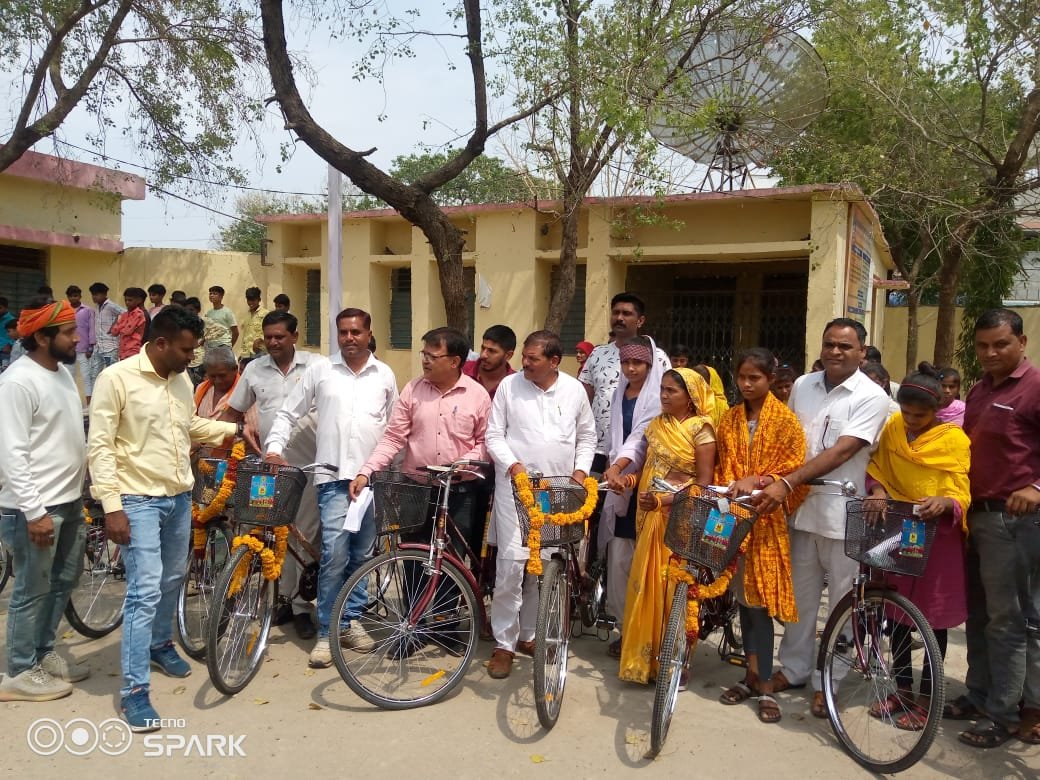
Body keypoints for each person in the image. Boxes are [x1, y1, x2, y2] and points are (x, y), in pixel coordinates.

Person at [87, 306, 240, 732]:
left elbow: (188, 426)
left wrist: (233, 432)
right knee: (144, 590)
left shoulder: (179, 380)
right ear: (160, 343)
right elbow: (100, 446)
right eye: (186, 350)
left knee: (172, 578)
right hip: (135, 500)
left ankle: (159, 644)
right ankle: (134, 691)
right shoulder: (115, 379)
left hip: (177, 497)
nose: (192, 358)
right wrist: (112, 506)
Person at [751, 318, 890, 718]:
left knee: (843, 604)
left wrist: (787, 482)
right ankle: (794, 669)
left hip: (845, 512)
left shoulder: (871, 395)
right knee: (800, 599)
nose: (835, 351)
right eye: (829, 344)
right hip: (799, 510)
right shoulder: (803, 385)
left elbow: (843, 450)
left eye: (845, 346)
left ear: (861, 352)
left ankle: (828, 679)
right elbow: (789, 440)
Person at [265, 308, 398, 668]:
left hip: (372, 481)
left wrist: (392, 474)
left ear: (369, 334)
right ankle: (326, 632)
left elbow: (393, 428)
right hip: (333, 478)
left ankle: (350, 622)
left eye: (356, 332)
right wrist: (274, 448)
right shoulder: (322, 371)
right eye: (343, 332)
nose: (349, 338)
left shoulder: (384, 375)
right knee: (335, 554)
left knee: (361, 556)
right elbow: (288, 412)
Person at [485, 330, 596, 678]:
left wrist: (580, 472)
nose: (525, 363)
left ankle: (530, 635)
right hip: (516, 490)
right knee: (511, 567)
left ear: (554, 361)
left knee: (544, 566)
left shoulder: (574, 390)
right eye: (525, 357)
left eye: (533, 358)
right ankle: (504, 643)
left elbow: (587, 436)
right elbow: (493, 435)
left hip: (556, 492)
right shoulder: (509, 386)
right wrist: (513, 466)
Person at [865, 366, 970, 730]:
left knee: (932, 620)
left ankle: (927, 699)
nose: (910, 421)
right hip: (898, 527)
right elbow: (877, 466)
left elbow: (960, 487)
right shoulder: (893, 428)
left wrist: (945, 501)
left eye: (919, 416)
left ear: (937, 410)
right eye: (906, 413)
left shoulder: (954, 440)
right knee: (896, 614)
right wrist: (878, 490)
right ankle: (902, 691)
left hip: (936, 536)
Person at [954, 308, 1040, 748]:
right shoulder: (980, 388)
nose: (990, 353)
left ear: (1021, 343)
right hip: (977, 517)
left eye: (1000, 344)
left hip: (1014, 520)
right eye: (982, 345)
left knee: (1010, 620)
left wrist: (1037, 487)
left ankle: (1005, 715)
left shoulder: (1034, 387)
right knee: (980, 614)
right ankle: (980, 694)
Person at [0, 298, 89, 702]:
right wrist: (34, 512)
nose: (77, 338)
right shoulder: (18, 382)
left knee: (64, 581)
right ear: (41, 337)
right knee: (31, 590)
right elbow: (12, 452)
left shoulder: (62, 373)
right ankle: (19, 672)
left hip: (69, 501)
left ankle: (42, 652)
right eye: (68, 333)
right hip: (35, 509)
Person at [715, 349, 807, 723]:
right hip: (733, 519)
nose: (747, 384)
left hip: (766, 523)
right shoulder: (729, 419)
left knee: (761, 606)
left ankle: (765, 685)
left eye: (755, 378)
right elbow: (721, 466)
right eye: (742, 377)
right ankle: (751, 676)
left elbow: (795, 469)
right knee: (743, 601)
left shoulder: (786, 421)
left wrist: (760, 480)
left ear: (771, 379)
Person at [223, 310, 322, 640]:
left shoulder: (316, 366)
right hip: (270, 468)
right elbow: (233, 412)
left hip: (309, 468)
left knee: (304, 537)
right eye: (268, 338)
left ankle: (301, 607)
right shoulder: (254, 369)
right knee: (272, 534)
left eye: (280, 337)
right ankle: (281, 601)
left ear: (295, 336)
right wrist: (218, 439)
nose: (273, 342)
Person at [618, 367, 716, 684]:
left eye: (672, 390)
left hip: (681, 519)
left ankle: (677, 662)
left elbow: (703, 483)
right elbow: (649, 467)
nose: (664, 395)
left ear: (691, 396)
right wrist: (628, 481)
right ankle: (644, 661)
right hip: (651, 516)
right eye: (662, 389)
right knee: (647, 585)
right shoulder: (657, 425)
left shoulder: (701, 429)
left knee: (676, 589)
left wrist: (666, 501)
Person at [599, 336, 664, 656]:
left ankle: (649, 633)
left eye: (638, 362)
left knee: (647, 561)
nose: (631, 368)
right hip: (619, 481)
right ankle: (625, 629)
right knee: (620, 557)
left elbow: (640, 439)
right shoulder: (619, 393)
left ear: (650, 364)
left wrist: (618, 467)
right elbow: (616, 438)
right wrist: (613, 469)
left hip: (648, 482)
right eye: (626, 362)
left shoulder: (657, 397)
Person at [580, 293, 671, 472]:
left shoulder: (658, 357)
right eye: (616, 313)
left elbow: (667, 399)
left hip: (642, 447)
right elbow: (584, 399)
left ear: (640, 320)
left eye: (626, 313)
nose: (619, 318)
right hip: (598, 447)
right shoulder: (597, 354)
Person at [463, 324, 516, 400]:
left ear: (508, 355)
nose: (483, 355)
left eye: (491, 351)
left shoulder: (516, 383)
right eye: (483, 348)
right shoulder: (462, 371)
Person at [66, 285, 98, 403]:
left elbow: (92, 329)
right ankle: (71, 401)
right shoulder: (65, 311)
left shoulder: (88, 310)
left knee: (86, 376)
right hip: (69, 348)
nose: (73, 298)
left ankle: (89, 402)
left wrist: (91, 346)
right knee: (69, 376)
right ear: (68, 297)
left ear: (80, 296)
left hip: (84, 349)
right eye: (71, 296)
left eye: (76, 296)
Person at [194, 346, 240, 418]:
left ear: (235, 369)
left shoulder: (246, 394)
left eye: (222, 375)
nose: (218, 381)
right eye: (212, 376)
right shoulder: (201, 389)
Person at [89, 282, 124, 368]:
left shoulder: (111, 306)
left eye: (96, 294)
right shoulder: (96, 307)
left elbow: (126, 313)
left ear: (104, 294)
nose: (94, 297)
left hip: (110, 347)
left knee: (111, 371)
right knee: (94, 373)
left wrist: (116, 324)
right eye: (92, 294)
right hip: (98, 347)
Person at [111, 287, 150, 361]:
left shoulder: (139, 314)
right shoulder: (125, 314)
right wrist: (122, 325)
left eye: (130, 300)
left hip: (133, 350)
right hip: (123, 351)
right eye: (126, 300)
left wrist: (119, 324)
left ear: (138, 300)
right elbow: (114, 332)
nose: (127, 302)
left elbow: (127, 331)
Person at [239, 287, 268, 366]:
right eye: (249, 300)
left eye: (253, 300)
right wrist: (242, 353)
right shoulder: (246, 315)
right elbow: (245, 335)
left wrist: (260, 340)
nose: (250, 302)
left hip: (260, 352)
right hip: (246, 353)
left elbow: (269, 331)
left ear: (259, 300)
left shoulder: (266, 314)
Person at [0, 296, 15, 370]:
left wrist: (10, 344)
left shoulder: (11, 320)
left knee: (4, 371)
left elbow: (17, 334)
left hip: (5, 352)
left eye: (0, 308)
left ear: (6, 308)